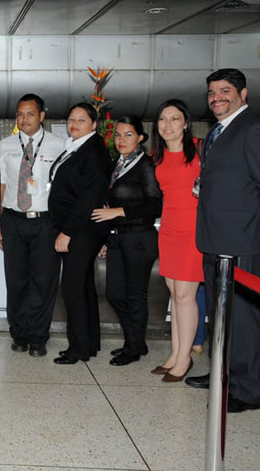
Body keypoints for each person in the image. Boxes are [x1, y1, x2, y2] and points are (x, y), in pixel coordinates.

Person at [187, 68, 260, 413]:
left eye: (225, 90)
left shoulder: (252, 129)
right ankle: (222, 374)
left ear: (243, 94)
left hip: (242, 242)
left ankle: (247, 389)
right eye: (212, 92)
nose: (217, 97)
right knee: (219, 317)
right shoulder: (218, 132)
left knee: (242, 321)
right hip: (214, 240)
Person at [0, 94, 65, 356]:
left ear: (42, 116)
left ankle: (38, 336)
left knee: (44, 281)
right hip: (13, 220)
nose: (24, 119)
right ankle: (19, 333)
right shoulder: (6, 145)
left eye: (30, 114)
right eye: (20, 114)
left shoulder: (60, 145)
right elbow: (1, 186)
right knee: (16, 281)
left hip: (45, 222)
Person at [91, 116, 161, 367]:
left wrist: (118, 212)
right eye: (118, 135)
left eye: (128, 135)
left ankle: (133, 347)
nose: (121, 140)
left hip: (139, 238)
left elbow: (156, 204)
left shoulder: (146, 165)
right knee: (114, 293)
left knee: (135, 295)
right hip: (118, 239)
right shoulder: (116, 164)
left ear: (141, 138)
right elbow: (108, 204)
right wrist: (105, 236)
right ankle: (136, 340)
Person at [49, 102, 111, 365]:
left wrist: (67, 232)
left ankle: (78, 348)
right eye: (71, 119)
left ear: (94, 125)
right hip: (80, 230)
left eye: (81, 120)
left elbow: (87, 199)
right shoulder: (79, 147)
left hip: (80, 231)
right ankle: (88, 343)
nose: (74, 124)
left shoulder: (93, 152)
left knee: (73, 287)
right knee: (83, 287)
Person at [149, 100, 202, 382]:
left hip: (193, 230)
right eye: (162, 119)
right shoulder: (157, 156)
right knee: (173, 292)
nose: (167, 125)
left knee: (185, 295)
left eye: (174, 119)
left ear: (185, 123)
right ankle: (175, 353)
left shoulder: (200, 149)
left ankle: (185, 359)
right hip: (168, 229)